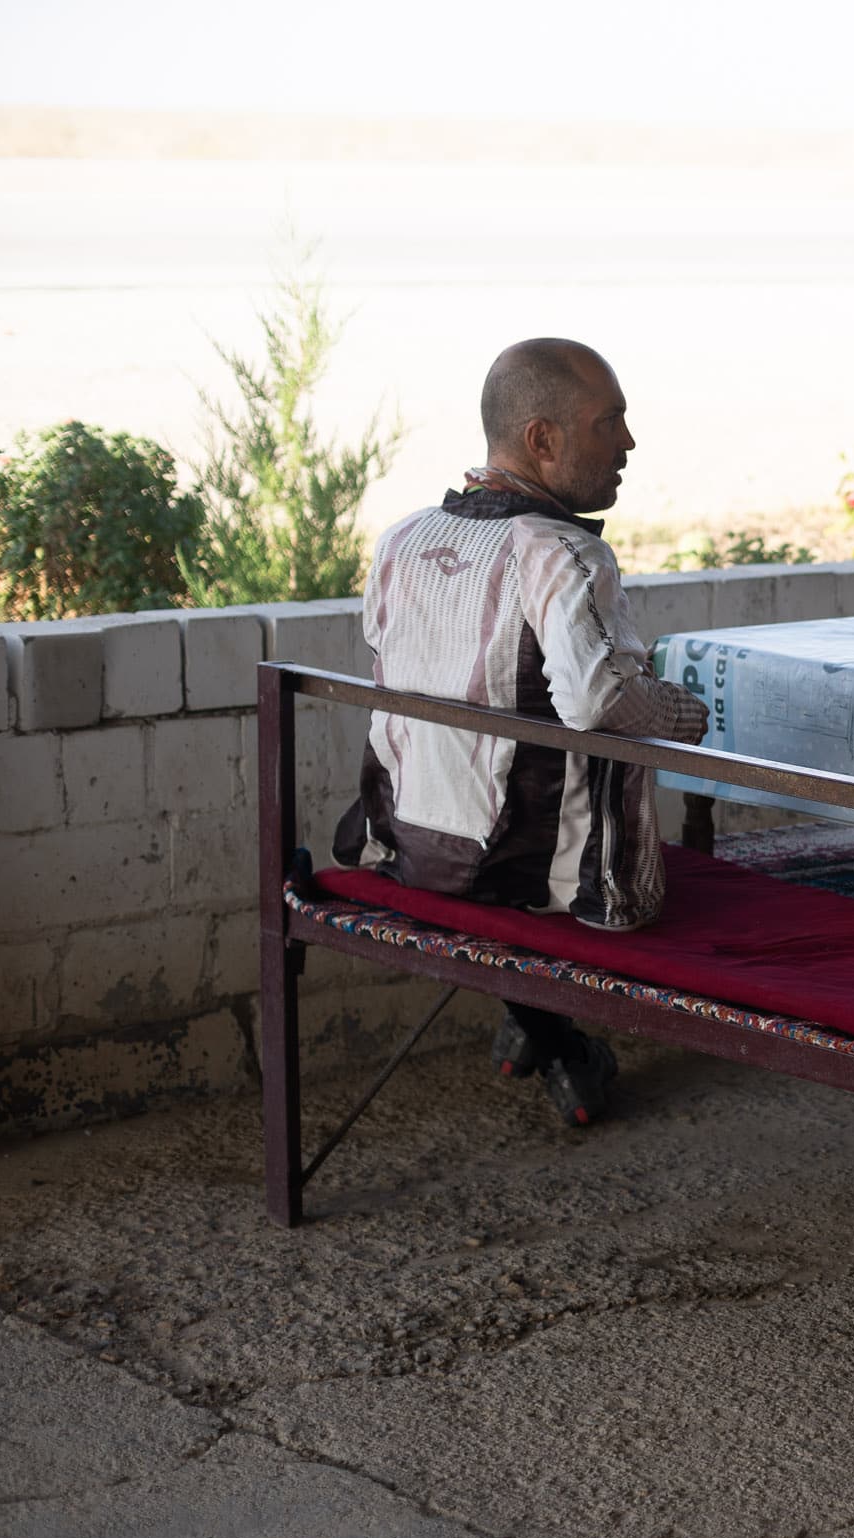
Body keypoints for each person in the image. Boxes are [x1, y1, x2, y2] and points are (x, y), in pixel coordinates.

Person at [333, 338, 707, 1127]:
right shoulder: (564, 552)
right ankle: (564, 1044)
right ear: (542, 439)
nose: (629, 446)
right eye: (611, 423)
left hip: (407, 847)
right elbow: (605, 703)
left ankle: (542, 1034)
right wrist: (687, 713)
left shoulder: (400, 540)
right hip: (532, 879)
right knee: (630, 803)